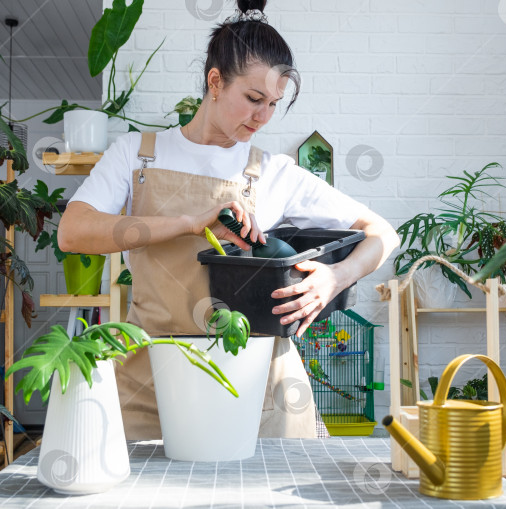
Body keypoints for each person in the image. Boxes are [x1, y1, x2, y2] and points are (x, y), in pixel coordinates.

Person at [59, 0, 399, 440]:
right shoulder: (137, 155)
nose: (263, 117)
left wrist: (336, 277)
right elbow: (73, 231)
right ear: (215, 82)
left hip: (256, 382)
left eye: (274, 104)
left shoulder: (273, 171)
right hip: (152, 377)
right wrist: (188, 222)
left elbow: (382, 234)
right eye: (254, 99)